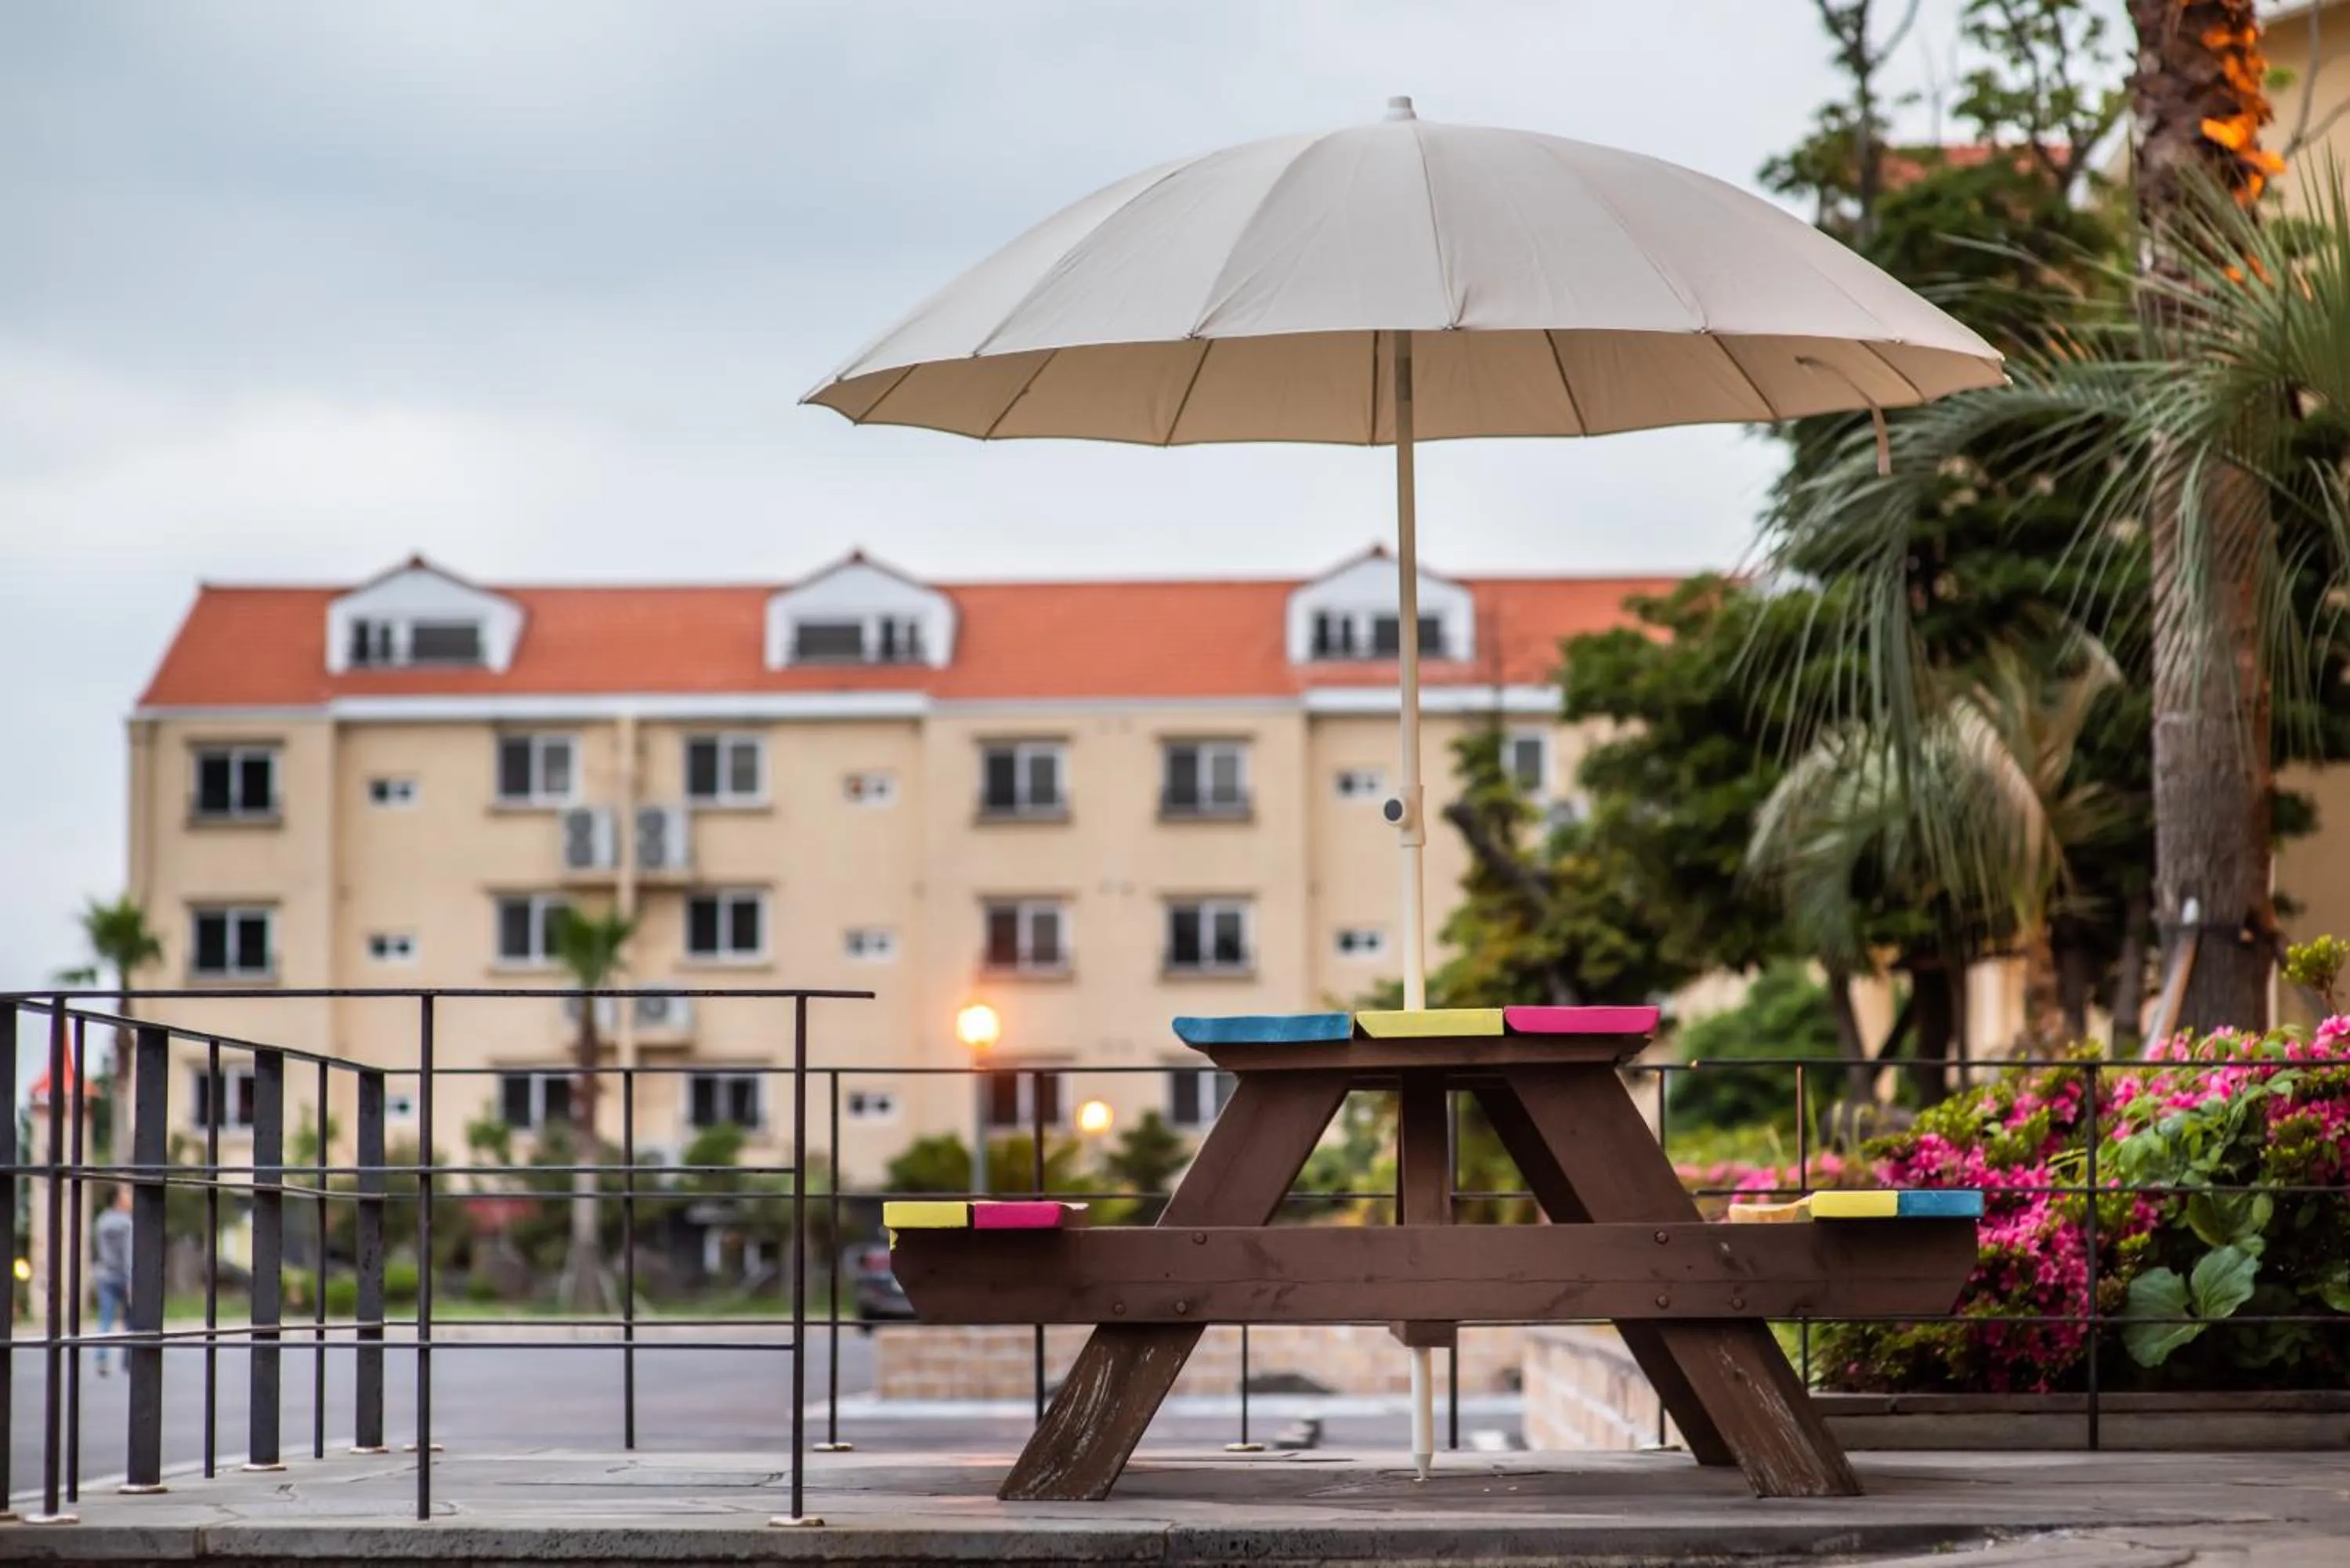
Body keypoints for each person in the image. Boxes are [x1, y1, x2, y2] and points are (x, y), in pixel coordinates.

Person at [92, 1184, 133, 1376]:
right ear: (118, 1199)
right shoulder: (127, 1223)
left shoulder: (102, 1221)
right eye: (126, 1194)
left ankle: (102, 1358)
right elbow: (128, 1255)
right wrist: (131, 1280)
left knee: (105, 1318)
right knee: (130, 1320)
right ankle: (129, 1360)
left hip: (105, 1274)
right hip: (124, 1277)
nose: (130, 1197)